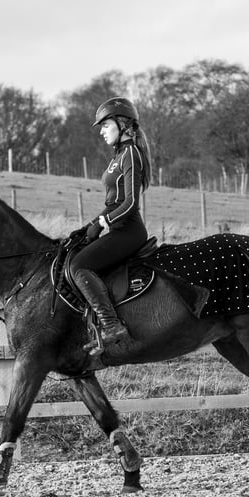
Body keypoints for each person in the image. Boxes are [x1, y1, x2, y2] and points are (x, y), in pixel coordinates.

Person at [68, 97, 152, 356]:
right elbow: (113, 201)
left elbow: (130, 204)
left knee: (79, 266)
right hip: (117, 228)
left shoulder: (131, 154)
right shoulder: (118, 156)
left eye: (105, 125)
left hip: (129, 231)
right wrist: (90, 225)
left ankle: (112, 325)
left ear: (123, 124)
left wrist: (104, 222)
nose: (102, 131)